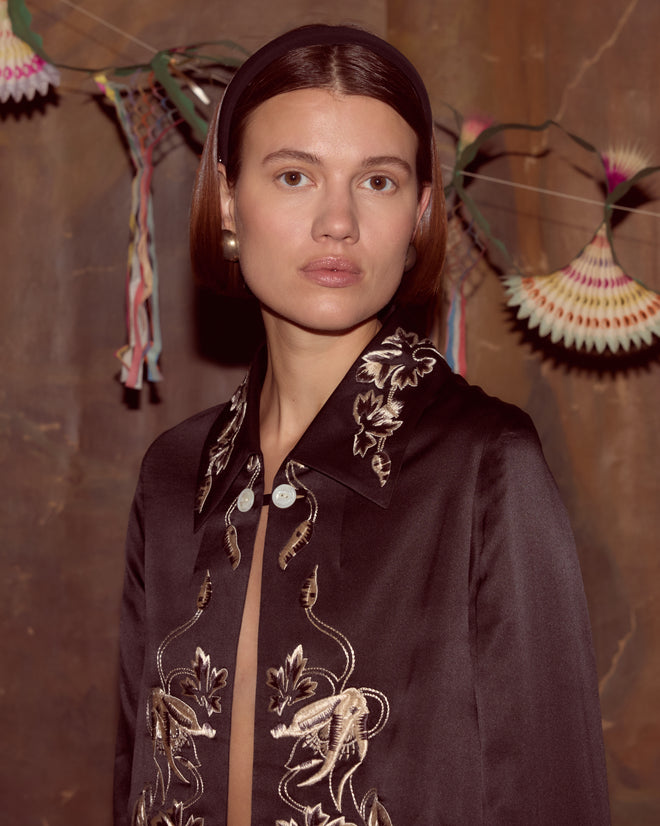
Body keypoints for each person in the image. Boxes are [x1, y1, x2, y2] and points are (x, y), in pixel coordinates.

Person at [114, 24, 611, 826]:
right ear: (230, 201)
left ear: (418, 214)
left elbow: (555, 795)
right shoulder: (174, 476)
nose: (338, 222)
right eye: (294, 176)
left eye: (376, 182)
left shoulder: (486, 465)